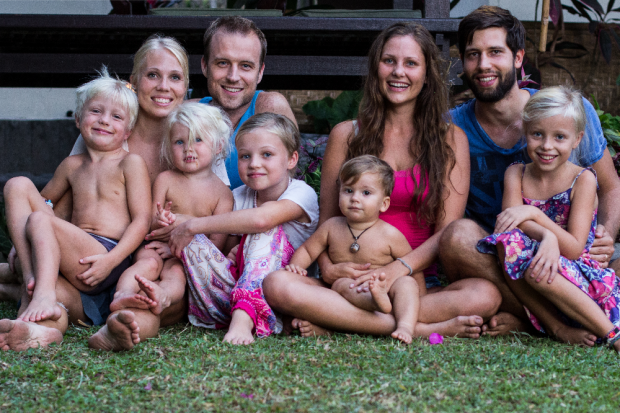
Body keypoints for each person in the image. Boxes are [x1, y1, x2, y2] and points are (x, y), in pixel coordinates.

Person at [263, 22, 501, 339]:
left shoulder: (450, 139)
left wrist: (395, 269)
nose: (398, 72)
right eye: (389, 61)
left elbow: (446, 232)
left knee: (485, 295)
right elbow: (328, 222)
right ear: (376, 68)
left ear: (427, 74)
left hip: (412, 282)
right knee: (277, 285)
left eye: (411, 63)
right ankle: (418, 327)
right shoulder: (346, 135)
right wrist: (329, 269)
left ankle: (337, 320)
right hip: (348, 282)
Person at [440, 6, 620, 336]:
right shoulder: (453, 128)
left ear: (518, 57)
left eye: (496, 52)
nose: (483, 65)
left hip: (573, 251)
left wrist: (603, 236)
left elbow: (611, 187)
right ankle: (552, 321)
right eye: (473, 55)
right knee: (457, 237)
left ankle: (534, 319)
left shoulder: (568, 112)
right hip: (504, 261)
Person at [0, 69, 151, 351]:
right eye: (96, 111)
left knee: (40, 220)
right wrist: (26, 239)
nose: (104, 120)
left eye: (116, 117)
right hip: (73, 256)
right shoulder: (72, 165)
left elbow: (142, 220)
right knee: (17, 185)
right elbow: (43, 201)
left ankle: (38, 291)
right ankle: (38, 325)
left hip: (106, 255)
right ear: (78, 119)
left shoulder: (129, 163)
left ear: (128, 131)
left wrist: (111, 260)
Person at [477, 86, 620, 351]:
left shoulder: (583, 179)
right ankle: (556, 327)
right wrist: (547, 238)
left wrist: (533, 213)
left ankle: (612, 333)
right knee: (507, 244)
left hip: (581, 283)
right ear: (525, 132)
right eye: (537, 134)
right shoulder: (516, 174)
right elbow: (510, 225)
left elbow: (574, 249)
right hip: (540, 276)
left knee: (537, 269)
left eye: (560, 137)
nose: (547, 146)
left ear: (577, 139)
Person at [167, 112, 319, 345]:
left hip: (283, 293)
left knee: (264, 230)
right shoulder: (237, 197)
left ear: (291, 159)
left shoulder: (301, 193)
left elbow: (262, 220)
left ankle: (245, 317)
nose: (254, 163)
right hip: (228, 296)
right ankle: (240, 313)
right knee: (193, 241)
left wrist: (191, 224)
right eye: (245, 156)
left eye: (266, 154)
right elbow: (224, 250)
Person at [107, 102, 234, 315]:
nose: (188, 148)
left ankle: (163, 296)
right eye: (179, 142)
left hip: (187, 258)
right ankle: (122, 294)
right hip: (155, 246)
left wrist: (178, 251)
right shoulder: (165, 179)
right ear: (169, 146)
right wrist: (159, 220)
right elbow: (148, 223)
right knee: (147, 263)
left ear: (218, 146)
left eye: (198, 139)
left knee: (176, 274)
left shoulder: (223, 194)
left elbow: (215, 247)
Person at [286, 156, 420, 344]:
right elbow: (308, 250)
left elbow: (411, 266)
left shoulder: (391, 235)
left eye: (366, 193)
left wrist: (419, 293)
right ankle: (372, 302)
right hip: (349, 291)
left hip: (386, 288)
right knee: (340, 285)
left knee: (407, 283)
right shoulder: (331, 227)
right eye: (348, 190)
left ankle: (405, 326)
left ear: (384, 204)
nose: (355, 198)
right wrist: (295, 267)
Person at [192, 15, 297, 189]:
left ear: (260, 72)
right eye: (223, 63)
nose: (233, 77)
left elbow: (289, 188)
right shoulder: (190, 115)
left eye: (246, 66)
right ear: (205, 66)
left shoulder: (270, 107)